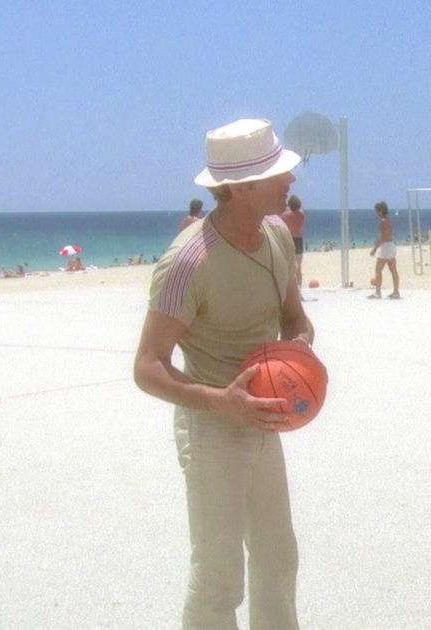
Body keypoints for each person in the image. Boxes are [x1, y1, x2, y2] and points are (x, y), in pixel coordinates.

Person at [132, 118, 312, 629]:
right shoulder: (187, 262)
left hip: (264, 421)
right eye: (277, 173)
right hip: (211, 429)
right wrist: (223, 401)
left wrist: (298, 352)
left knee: (278, 559)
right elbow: (147, 366)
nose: (291, 179)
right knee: (219, 577)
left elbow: (296, 319)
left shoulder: (277, 235)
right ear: (239, 188)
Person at [368, 200, 400, 299]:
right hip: (391, 245)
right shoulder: (388, 220)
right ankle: (396, 291)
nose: (375, 213)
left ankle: (378, 292)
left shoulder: (383, 222)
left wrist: (374, 248)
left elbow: (382, 237)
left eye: (376, 211)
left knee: (378, 270)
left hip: (385, 247)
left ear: (380, 211)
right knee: (393, 270)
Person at [280, 194, 306, 290]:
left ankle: (289, 290)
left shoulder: (286, 215)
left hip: (289, 239)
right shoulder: (301, 215)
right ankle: (299, 290)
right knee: (298, 267)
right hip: (299, 240)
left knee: (288, 267)